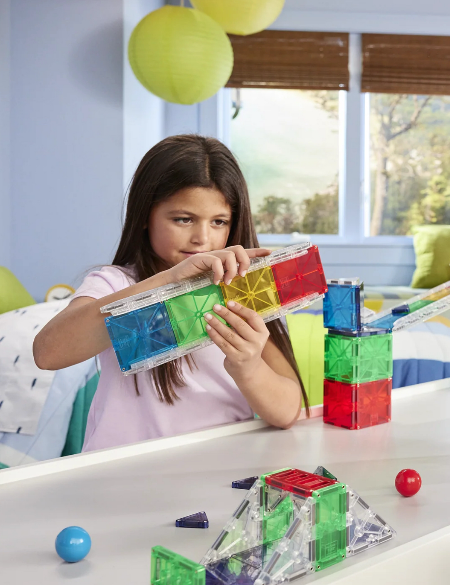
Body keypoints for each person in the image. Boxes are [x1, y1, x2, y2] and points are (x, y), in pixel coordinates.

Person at [34, 135, 308, 451]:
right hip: (122, 477)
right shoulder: (115, 284)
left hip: (218, 472)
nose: (202, 238)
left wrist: (249, 368)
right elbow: (47, 353)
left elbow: (288, 411)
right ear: (145, 217)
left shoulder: (246, 290)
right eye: (183, 219)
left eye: (219, 221)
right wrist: (167, 281)